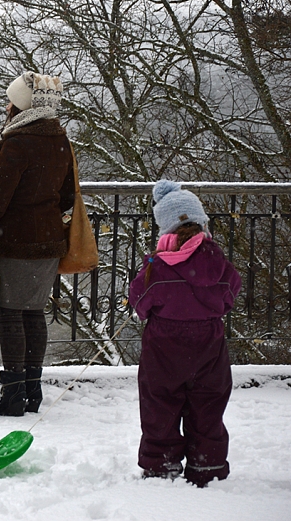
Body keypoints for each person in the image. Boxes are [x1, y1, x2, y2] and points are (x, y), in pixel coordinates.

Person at [129, 180, 241, 487]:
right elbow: (229, 296)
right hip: (209, 343)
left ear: (165, 231)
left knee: (159, 404)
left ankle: (161, 465)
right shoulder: (220, 265)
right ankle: (208, 464)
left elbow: (139, 302)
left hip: (163, 345)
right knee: (208, 404)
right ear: (203, 223)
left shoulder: (156, 268)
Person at [0, 71, 75, 417]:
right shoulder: (59, 139)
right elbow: (67, 196)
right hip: (49, 242)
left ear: (21, 107)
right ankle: (32, 391)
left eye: (11, 101)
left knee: (11, 314)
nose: (6, 105)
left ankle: (13, 395)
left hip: (16, 241)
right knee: (34, 314)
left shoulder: (18, 143)